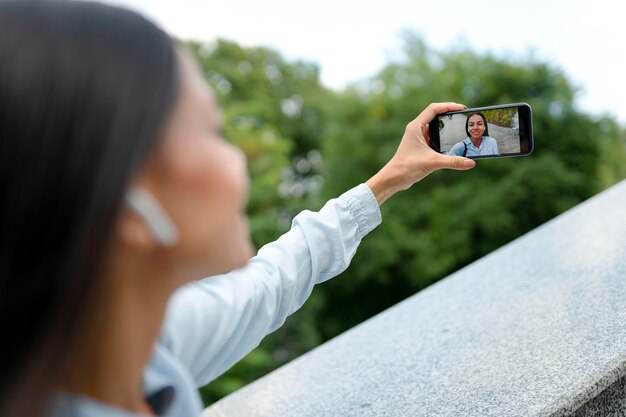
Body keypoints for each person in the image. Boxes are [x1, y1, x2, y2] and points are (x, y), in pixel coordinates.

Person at [0, 2, 476, 416]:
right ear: (125, 204)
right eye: (211, 131)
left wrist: (391, 177)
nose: (238, 159)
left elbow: (270, 282)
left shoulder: (144, 346)